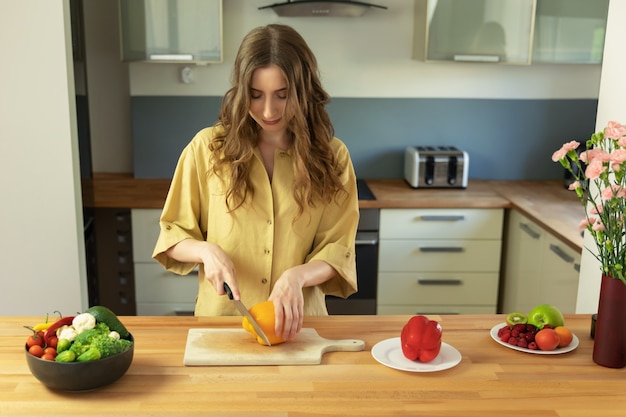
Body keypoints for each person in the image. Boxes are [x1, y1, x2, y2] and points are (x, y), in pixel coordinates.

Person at [152, 24, 359, 341]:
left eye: (282, 95)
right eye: (255, 95)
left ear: (303, 91)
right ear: (241, 91)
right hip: (222, 326)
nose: (268, 110)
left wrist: (297, 276)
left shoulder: (334, 157)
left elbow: (338, 249)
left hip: (299, 328)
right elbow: (173, 234)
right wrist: (205, 251)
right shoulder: (207, 149)